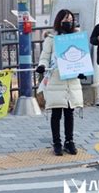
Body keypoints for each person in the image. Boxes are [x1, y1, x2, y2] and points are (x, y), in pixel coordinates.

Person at [36, 9, 84, 156]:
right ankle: (57, 142)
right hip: (56, 78)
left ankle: (69, 141)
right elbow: (45, 56)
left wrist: (82, 69)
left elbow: (81, 56)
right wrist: (42, 66)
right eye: (65, 19)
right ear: (59, 21)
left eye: (70, 19)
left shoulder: (76, 38)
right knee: (56, 112)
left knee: (70, 112)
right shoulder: (51, 39)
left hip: (72, 79)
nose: (68, 22)